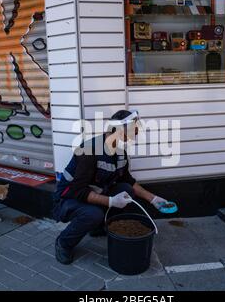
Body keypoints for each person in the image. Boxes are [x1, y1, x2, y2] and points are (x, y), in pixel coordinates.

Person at [52, 110, 170, 264]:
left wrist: (153, 198)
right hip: (68, 198)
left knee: (126, 189)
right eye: (133, 127)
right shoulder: (89, 150)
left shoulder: (120, 152)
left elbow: (129, 181)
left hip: (92, 194)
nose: (136, 131)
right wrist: (111, 202)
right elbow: (78, 190)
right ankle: (63, 243)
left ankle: (97, 227)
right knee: (93, 214)